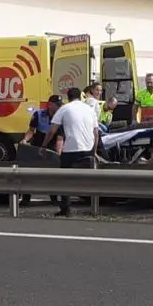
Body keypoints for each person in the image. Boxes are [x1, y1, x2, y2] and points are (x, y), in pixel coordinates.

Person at [40, 87, 99, 217]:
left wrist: (43, 146)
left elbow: (52, 130)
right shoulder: (89, 110)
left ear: (68, 97)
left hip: (71, 150)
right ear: (80, 96)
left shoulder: (64, 109)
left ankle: (65, 208)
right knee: (90, 179)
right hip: (88, 149)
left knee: (64, 179)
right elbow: (96, 133)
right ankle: (94, 208)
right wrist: (94, 151)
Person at [18, 94, 64, 207]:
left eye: (59, 105)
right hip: (37, 147)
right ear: (50, 105)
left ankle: (53, 198)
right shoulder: (38, 114)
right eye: (56, 105)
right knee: (29, 174)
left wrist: (58, 154)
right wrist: (25, 140)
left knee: (52, 175)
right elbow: (31, 130)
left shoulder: (60, 117)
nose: (58, 107)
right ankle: (26, 198)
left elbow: (60, 138)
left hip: (51, 149)